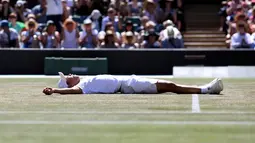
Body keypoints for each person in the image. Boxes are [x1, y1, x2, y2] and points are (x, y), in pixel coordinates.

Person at [43, 72, 224, 95]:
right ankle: (205, 89)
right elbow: (73, 91)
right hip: (127, 85)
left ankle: (204, 89)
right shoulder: (81, 86)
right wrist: (55, 91)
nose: (70, 74)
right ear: (69, 83)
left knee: (169, 87)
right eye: (68, 77)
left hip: (127, 83)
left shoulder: (85, 81)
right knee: (170, 86)